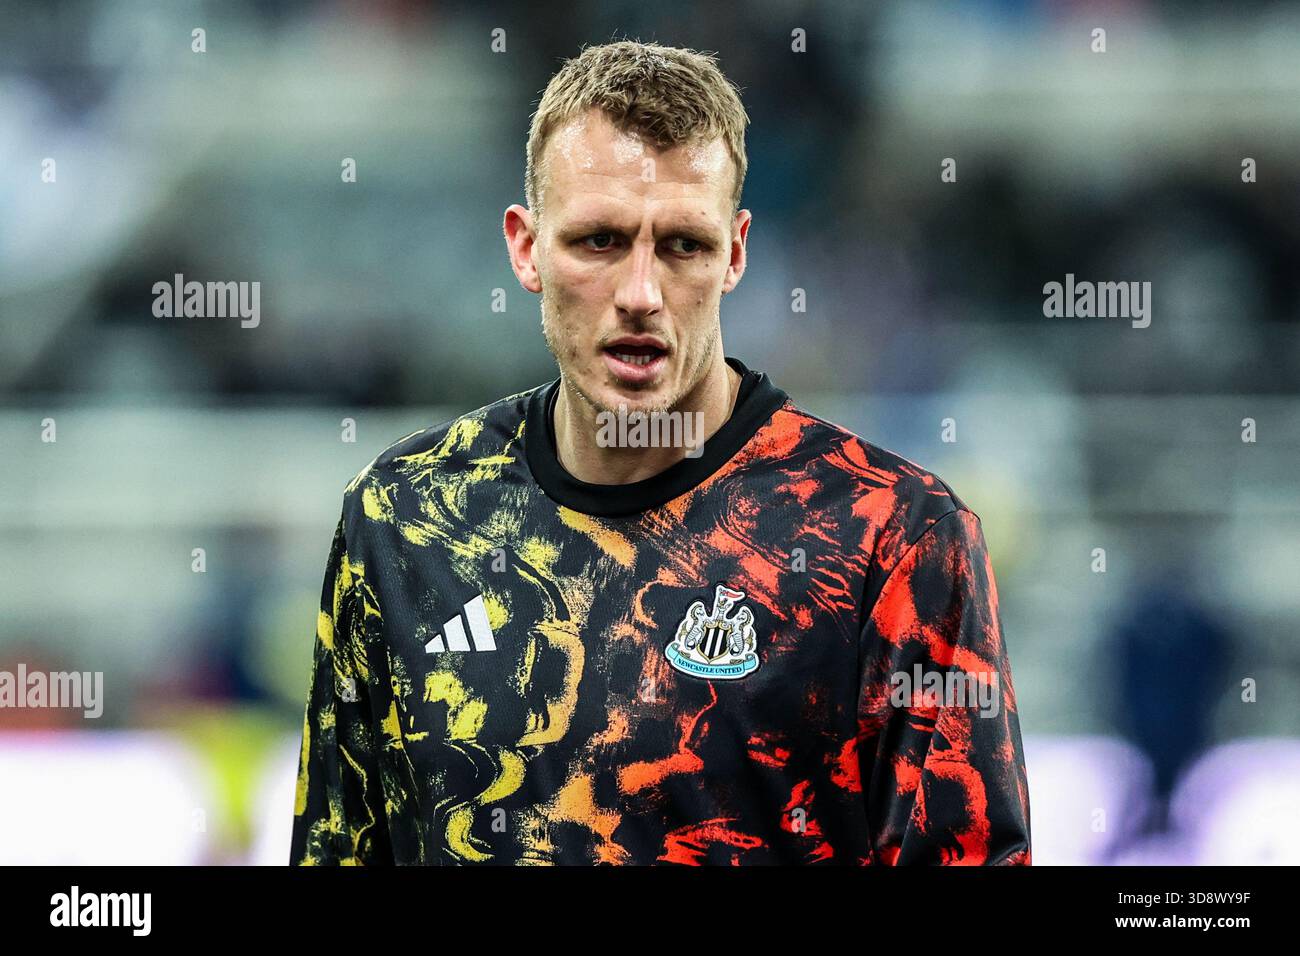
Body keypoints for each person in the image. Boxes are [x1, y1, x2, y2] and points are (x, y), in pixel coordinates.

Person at [290, 39, 1030, 865]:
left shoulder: (891, 539)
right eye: (599, 241)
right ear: (526, 249)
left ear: (737, 253)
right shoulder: (404, 519)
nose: (641, 295)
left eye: (683, 245)